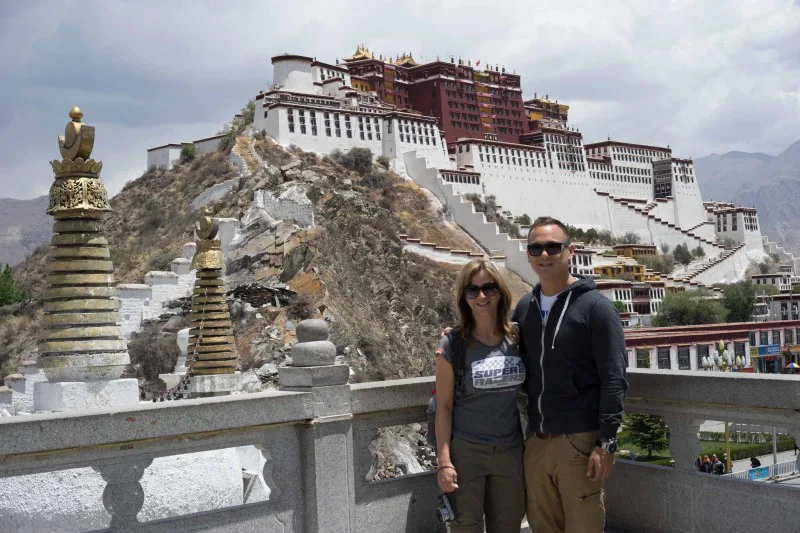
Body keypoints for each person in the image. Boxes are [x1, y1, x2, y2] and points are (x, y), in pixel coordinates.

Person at [512, 216, 628, 533]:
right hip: (536, 441)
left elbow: (614, 378)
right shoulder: (525, 308)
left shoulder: (596, 308)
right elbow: (501, 350)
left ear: (570, 250)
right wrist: (455, 337)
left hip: (579, 442)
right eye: (536, 248)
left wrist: (606, 443)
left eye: (552, 247)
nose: (544, 255)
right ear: (528, 254)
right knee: (542, 527)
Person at [434, 259, 526, 533]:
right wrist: (444, 462)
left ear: (501, 292)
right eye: (473, 290)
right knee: (466, 528)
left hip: (510, 450)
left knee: (508, 526)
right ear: (464, 297)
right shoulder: (452, 344)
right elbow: (444, 406)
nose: (482, 296)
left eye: (489, 287)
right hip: (467, 452)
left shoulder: (517, 336)